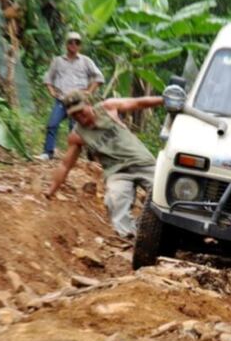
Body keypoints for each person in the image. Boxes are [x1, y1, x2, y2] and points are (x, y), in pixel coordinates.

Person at [45, 91, 162, 238]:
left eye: (81, 111)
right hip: (117, 172)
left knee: (163, 192)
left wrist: (165, 100)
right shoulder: (77, 135)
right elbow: (65, 165)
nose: (79, 117)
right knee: (114, 200)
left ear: (88, 105)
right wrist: (51, 191)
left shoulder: (108, 108)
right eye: (74, 115)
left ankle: (164, 230)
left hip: (142, 162)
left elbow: (139, 102)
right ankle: (131, 237)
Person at [40, 32, 105, 161]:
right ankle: (48, 153)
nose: (74, 45)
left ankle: (72, 156)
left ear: (80, 46)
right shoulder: (58, 61)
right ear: (66, 44)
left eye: (77, 42)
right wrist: (51, 90)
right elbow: (48, 77)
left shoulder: (86, 61)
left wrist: (89, 91)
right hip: (62, 99)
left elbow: (99, 77)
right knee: (52, 124)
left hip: (78, 101)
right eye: (71, 42)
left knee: (74, 129)